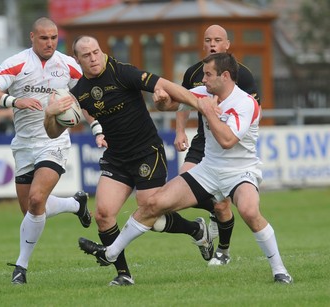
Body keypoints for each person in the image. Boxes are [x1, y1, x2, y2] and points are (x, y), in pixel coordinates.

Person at [78, 53, 293, 284]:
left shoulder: (246, 103)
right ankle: (110, 253)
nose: (203, 79)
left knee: (250, 212)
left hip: (240, 172)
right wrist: (161, 102)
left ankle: (280, 271)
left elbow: (227, 141)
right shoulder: (205, 94)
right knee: (152, 204)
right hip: (208, 170)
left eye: (208, 75)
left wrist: (208, 110)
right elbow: (172, 104)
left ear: (226, 76)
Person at [44, 35, 210, 286]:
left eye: (96, 52)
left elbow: (165, 85)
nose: (93, 58)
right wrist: (50, 114)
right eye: (86, 55)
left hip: (147, 152)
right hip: (116, 159)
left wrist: (199, 103)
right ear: (77, 60)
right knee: (102, 214)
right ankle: (123, 274)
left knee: (151, 215)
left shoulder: (122, 72)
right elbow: (53, 131)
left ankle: (196, 230)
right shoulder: (78, 93)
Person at [0, 17, 91, 285]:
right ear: (32, 37)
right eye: (44, 38)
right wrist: (14, 100)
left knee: (37, 199)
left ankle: (21, 267)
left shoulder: (68, 65)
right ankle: (76, 204)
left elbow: (88, 95)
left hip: (54, 142)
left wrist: (97, 127)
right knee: (31, 209)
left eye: (53, 37)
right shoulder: (18, 63)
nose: (49, 42)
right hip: (24, 145)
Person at [155, 24, 262, 266]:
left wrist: (241, 134)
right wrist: (180, 130)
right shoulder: (195, 73)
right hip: (203, 139)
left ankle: (223, 249)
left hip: (228, 139)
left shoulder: (241, 74)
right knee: (189, 182)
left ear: (227, 46)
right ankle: (211, 214)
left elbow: (256, 108)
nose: (212, 44)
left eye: (217, 40)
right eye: (207, 40)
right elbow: (185, 102)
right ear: (202, 44)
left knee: (227, 203)